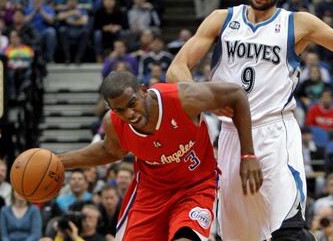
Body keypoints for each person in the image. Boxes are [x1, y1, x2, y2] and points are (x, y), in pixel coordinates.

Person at [165, 0, 333, 240]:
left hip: (274, 134)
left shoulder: (298, 24)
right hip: (231, 136)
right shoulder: (221, 19)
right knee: (238, 235)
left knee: (289, 231)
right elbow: (176, 69)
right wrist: (204, 97)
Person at [58, 70, 262, 241]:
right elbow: (109, 151)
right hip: (151, 195)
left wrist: (248, 155)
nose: (129, 114)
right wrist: (58, 162)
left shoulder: (182, 99)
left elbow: (236, 94)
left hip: (196, 187)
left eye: (132, 103)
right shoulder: (113, 123)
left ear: (143, 90)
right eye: (119, 110)